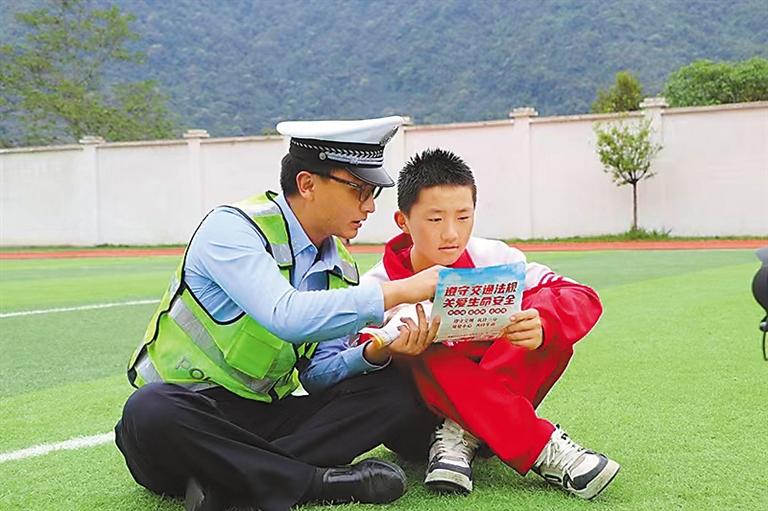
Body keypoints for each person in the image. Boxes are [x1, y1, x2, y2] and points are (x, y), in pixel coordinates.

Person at [114, 117, 442, 511]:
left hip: (262, 420)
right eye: (359, 190)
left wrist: (374, 353)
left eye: (372, 193)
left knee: (392, 392)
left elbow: (317, 376)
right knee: (149, 409)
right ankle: (315, 483)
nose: (369, 206)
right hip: (191, 415)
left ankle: (232, 482)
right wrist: (400, 290)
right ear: (307, 184)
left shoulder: (341, 266)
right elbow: (285, 315)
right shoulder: (233, 229)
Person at [302, 148, 620, 500]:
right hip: (416, 430)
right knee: (408, 341)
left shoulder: (496, 259)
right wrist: (386, 351)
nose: (451, 233)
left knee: (542, 313)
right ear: (403, 221)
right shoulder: (377, 287)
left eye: (464, 217)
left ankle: (460, 434)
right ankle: (543, 448)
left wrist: (544, 324)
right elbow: (344, 363)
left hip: (487, 428)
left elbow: (582, 295)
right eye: (435, 220)